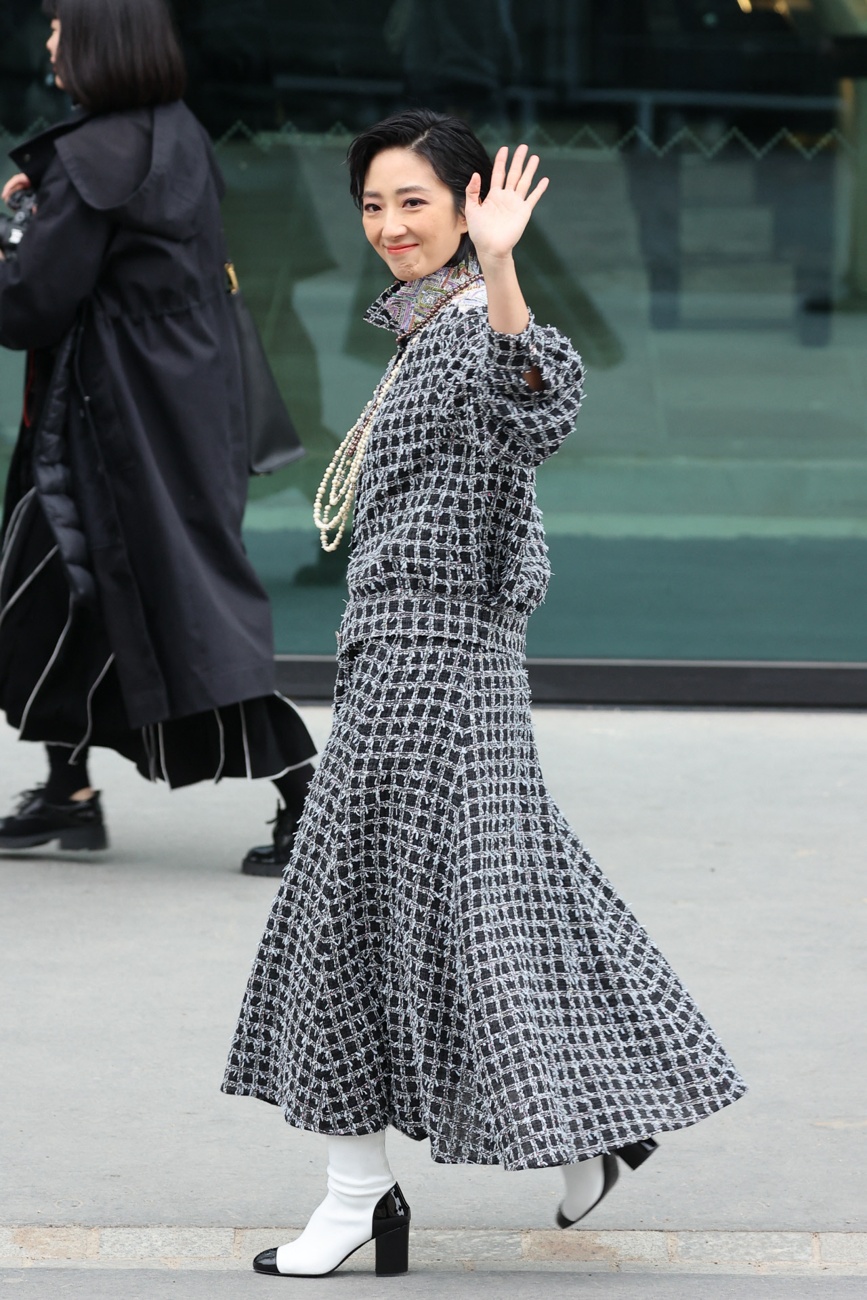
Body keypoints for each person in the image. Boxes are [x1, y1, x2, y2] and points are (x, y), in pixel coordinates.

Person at [221, 108, 747, 1278]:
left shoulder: (474, 328)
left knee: (343, 918)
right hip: (420, 656)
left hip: (435, 667)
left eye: (416, 201)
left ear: (468, 208)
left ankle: (357, 1193)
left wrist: (504, 269)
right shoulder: (422, 328)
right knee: (510, 898)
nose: (390, 225)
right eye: (372, 204)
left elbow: (539, 405)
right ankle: (600, 1128)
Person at [0, 0, 315, 876]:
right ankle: (68, 792)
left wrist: (14, 235)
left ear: (98, 43)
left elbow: (28, 305)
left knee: (172, 612)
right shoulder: (171, 136)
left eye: (62, 26)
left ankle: (305, 794)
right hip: (172, 420)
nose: (51, 40)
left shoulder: (87, 159)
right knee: (65, 606)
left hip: (106, 435)